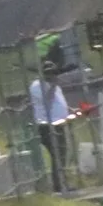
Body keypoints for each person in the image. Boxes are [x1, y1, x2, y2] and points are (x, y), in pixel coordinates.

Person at [28, 61, 74, 194]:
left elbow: (57, 101)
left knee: (61, 154)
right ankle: (59, 185)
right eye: (49, 73)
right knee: (57, 154)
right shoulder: (37, 86)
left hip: (58, 123)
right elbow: (47, 100)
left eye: (53, 73)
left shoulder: (54, 85)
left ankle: (61, 183)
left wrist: (70, 109)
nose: (52, 75)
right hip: (46, 125)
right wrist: (53, 84)